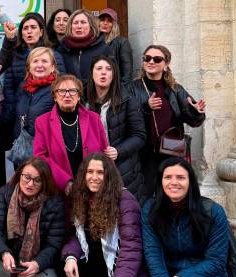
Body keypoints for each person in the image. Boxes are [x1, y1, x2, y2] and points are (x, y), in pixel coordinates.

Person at [61, 154, 153, 277]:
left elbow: (131, 246)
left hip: (123, 265)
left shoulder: (125, 201)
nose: (94, 177)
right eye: (90, 172)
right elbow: (75, 235)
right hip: (98, 263)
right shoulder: (82, 197)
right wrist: (70, 256)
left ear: (109, 175)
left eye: (100, 173)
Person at [130, 44, 206, 199]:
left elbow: (192, 120)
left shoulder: (175, 89)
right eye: (147, 58)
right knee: (145, 195)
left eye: (157, 59)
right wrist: (146, 107)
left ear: (165, 65)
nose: (151, 62)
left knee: (172, 195)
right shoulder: (133, 88)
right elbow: (126, 118)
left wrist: (196, 111)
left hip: (171, 150)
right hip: (145, 152)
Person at [33, 74, 110, 194]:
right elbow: (40, 158)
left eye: (73, 91)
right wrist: (65, 182)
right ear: (55, 97)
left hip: (92, 189)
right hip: (59, 191)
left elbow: (104, 155)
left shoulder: (94, 119)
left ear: (79, 96)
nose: (67, 95)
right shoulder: (42, 122)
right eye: (62, 91)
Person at [84, 55, 146, 200]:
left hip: (123, 168)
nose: (103, 72)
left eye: (108, 69)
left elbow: (139, 135)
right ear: (92, 73)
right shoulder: (83, 100)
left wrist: (119, 150)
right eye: (99, 69)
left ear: (114, 74)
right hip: (91, 168)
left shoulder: (128, 99)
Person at [0, 13, 66, 82]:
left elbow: (60, 82)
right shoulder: (15, 55)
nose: (29, 31)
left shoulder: (54, 55)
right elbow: (9, 84)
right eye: (25, 28)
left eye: (33, 27)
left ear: (41, 32)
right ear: (21, 34)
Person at [56, 9, 111, 83]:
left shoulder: (103, 48)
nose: (79, 26)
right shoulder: (62, 50)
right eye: (75, 23)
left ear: (91, 26)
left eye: (83, 22)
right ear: (70, 26)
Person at [97, 8, 133, 87]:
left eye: (109, 21)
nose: (105, 23)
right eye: (102, 20)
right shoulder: (93, 43)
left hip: (115, 89)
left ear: (114, 25)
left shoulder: (122, 42)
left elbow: (127, 73)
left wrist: (122, 92)